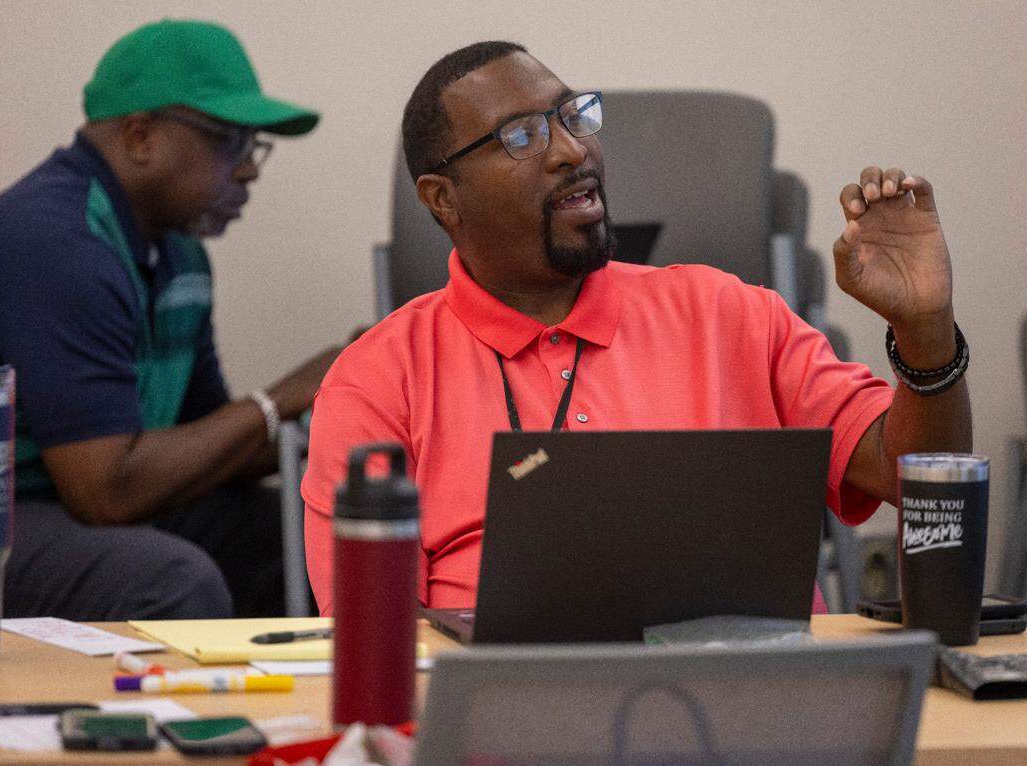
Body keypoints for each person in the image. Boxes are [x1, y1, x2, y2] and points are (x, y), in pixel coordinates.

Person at [301, 41, 972, 615]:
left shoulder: (730, 314)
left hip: (755, 706)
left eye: (571, 115)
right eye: (521, 136)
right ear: (443, 199)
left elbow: (914, 482)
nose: (570, 150)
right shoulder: (377, 380)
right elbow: (378, 642)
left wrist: (925, 329)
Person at [0, 19, 340, 619]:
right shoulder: (53, 242)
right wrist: (283, 398)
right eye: (230, 142)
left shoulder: (179, 252)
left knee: (316, 535)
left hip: (70, 503)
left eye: (254, 146)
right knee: (172, 581)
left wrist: (350, 406)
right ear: (140, 136)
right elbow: (105, 492)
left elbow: (205, 447)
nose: (249, 170)